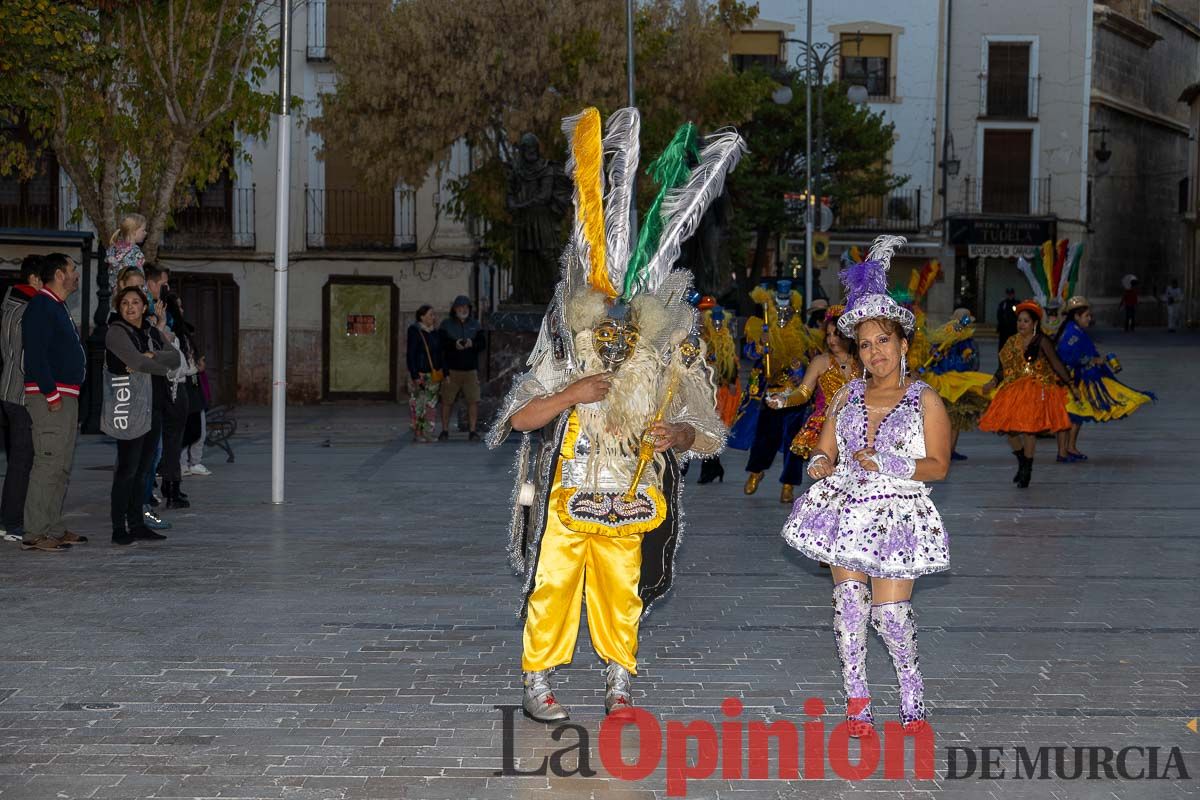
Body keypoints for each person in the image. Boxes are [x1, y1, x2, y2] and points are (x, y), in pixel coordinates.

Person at [488, 106, 736, 722]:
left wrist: (679, 431)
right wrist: (572, 396)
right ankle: (538, 681)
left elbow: (704, 432)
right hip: (564, 497)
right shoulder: (567, 347)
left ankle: (618, 686)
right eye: (610, 302)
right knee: (552, 590)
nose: (618, 315)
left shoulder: (664, 357)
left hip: (633, 497)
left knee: (620, 597)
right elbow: (518, 419)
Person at [781, 235, 951, 738]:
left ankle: (911, 691)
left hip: (897, 514)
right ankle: (857, 700)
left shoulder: (926, 400)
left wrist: (892, 463)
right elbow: (826, 448)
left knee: (891, 615)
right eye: (866, 344)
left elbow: (938, 465)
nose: (874, 352)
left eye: (883, 341)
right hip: (847, 510)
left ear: (902, 344)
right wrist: (817, 462)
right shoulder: (848, 395)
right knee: (849, 607)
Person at [20, 254, 88, 552]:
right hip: (51, 398)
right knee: (48, 463)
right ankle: (34, 533)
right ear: (60, 274)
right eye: (73, 270)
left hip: (65, 396)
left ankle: (53, 527)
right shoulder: (41, 306)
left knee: (60, 465)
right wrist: (51, 394)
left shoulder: (56, 306)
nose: (77, 275)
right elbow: (35, 355)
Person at [105, 286, 180, 545]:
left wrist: (153, 356)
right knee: (127, 469)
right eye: (124, 303)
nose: (130, 307)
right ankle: (118, 528)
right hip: (131, 408)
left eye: (135, 302)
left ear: (144, 306)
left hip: (154, 408)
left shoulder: (150, 331)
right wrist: (157, 365)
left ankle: (136, 524)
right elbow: (137, 363)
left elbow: (176, 358)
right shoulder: (116, 332)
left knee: (144, 470)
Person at [728, 280, 814, 503]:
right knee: (764, 438)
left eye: (787, 309)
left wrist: (800, 370)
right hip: (771, 392)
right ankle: (756, 472)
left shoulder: (802, 332)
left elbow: (812, 358)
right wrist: (760, 346)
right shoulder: (761, 327)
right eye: (780, 309)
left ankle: (788, 485)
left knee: (794, 442)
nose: (783, 313)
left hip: (796, 397)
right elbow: (749, 353)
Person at [978, 301, 1077, 487]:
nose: (1021, 324)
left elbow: (1056, 363)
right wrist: (992, 382)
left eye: (1025, 321)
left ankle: (1026, 471)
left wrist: (1070, 383)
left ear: (1034, 323)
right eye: (1019, 321)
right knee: (1007, 430)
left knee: (1029, 430)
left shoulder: (1042, 341)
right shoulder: (1011, 342)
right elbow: (1003, 368)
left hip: (1035, 390)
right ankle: (1022, 461)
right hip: (1013, 390)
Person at [1055, 296, 1154, 461]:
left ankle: (1069, 448)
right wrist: (1092, 360)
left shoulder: (1076, 331)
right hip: (1069, 381)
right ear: (1077, 317)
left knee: (1076, 415)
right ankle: (1063, 451)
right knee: (1071, 415)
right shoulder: (1072, 334)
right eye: (1087, 316)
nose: (1089, 319)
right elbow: (1067, 356)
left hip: (1076, 380)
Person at [774, 306, 856, 466]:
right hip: (825, 425)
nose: (831, 340)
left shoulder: (864, 361)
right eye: (828, 335)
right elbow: (804, 392)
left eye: (837, 335)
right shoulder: (820, 361)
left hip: (858, 427)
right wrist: (784, 400)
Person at [0, 256, 44, 543]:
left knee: (20, 457)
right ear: (35, 280)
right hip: (19, 392)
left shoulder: (10, 303)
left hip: (10, 389)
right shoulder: (26, 309)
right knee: (21, 458)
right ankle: (11, 522)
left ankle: (14, 517)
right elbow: (29, 356)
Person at [915, 309, 992, 461]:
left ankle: (950, 450)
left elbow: (971, 363)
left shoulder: (967, 342)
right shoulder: (944, 339)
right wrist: (936, 356)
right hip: (942, 381)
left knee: (955, 417)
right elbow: (932, 359)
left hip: (959, 382)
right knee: (943, 416)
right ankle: (941, 449)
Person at [159, 290, 197, 509]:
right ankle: (172, 487)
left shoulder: (173, 333)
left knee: (173, 440)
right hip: (174, 389)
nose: (182, 311)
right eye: (179, 307)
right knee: (173, 441)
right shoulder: (170, 334)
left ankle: (170, 483)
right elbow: (181, 366)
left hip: (175, 389)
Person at [696, 298, 738, 484]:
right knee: (703, 427)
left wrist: (728, 378)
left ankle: (710, 468)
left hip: (718, 390)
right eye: (703, 311)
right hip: (702, 388)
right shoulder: (699, 335)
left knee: (712, 427)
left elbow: (730, 361)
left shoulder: (722, 336)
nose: (705, 315)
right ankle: (713, 467)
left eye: (709, 311)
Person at [438, 295, 485, 442]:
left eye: (465, 307)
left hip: (470, 371)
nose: (463, 310)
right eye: (460, 307)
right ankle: (444, 430)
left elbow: (482, 344)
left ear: (469, 309)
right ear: (454, 309)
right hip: (452, 371)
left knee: (473, 401)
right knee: (447, 401)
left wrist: (472, 343)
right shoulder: (446, 325)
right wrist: (454, 344)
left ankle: (472, 431)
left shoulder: (476, 325)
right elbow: (441, 345)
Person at [406, 305, 443, 443]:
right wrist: (414, 375)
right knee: (418, 404)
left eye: (434, 315)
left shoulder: (435, 333)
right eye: (431, 315)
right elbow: (411, 354)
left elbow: (440, 354)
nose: (434, 317)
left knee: (431, 405)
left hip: (433, 375)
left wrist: (442, 371)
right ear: (422, 316)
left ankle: (428, 432)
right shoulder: (415, 331)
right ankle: (418, 432)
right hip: (420, 373)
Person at [105, 213, 147, 295]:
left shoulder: (114, 249)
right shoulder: (135, 252)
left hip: (118, 295)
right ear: (134, 232)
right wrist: (144, 294)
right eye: (143, 230)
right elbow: (140, 275)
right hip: (134, 294)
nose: (145, 233)